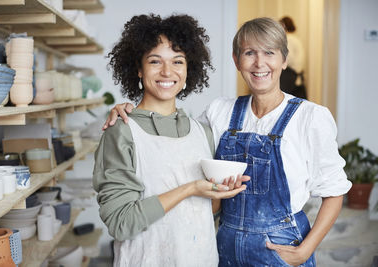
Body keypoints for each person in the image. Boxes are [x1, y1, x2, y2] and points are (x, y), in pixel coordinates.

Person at [103, 17, 352, 267]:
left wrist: (304, 251)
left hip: (281, 249)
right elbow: (177, 141)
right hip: (224, 248)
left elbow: (334, 191)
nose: (259, 63)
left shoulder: (311, 117)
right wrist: (129, 112)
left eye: (269, 53)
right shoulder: (218, 113)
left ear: (284, 59)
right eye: (249, 53)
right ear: (236, 60)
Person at [93, 14, 249, 267]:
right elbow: (121, 223)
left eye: (178, 61)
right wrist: (190, 189)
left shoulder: (202, 131)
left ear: (189, 69)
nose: (167, 71)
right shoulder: (121, 131)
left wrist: (219, 193)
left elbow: (204, 214)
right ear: (139, 68)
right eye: (155, 61)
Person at [279, 16, 307, 99]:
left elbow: (287, 58)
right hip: (296, 75)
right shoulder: (296, 39)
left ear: (283, 25)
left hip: (289, 75)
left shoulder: (288, 39)